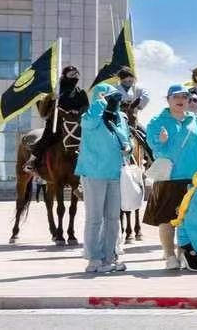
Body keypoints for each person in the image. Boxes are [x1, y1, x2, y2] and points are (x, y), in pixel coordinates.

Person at [146, 84, 197, 268]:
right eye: (176, 97)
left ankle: (184, 254)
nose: (180, 100)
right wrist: (160, 141)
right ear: (168, 99)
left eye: (185, 97)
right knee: (167, 219)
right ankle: (170, 256)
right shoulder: (157, 121)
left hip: (194, 179)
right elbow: (154, 149)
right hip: (169, 178)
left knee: (190, 219)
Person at [77, 82, 132, 274]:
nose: (114, 100)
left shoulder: (120, 117)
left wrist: (128, 147)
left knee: (113, 218)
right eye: (110, 97)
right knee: (94, 218)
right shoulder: (90, 116)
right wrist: (100, 104)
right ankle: (94, 259)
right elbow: (88, 124)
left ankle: (110, 257)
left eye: (116, 97)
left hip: (115, 172)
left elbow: (126, 138)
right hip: (94, 172)